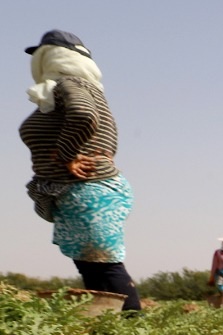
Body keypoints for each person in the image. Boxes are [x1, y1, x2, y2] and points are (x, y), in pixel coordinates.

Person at [19, 30, 142, 311]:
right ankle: (105, 321)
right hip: (82, 192)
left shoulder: (69, 83)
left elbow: (84, 116)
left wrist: (65, 156)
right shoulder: (80, 88)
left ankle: (133, 326)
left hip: (88, 190)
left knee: (104, 263)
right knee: (91, 263)